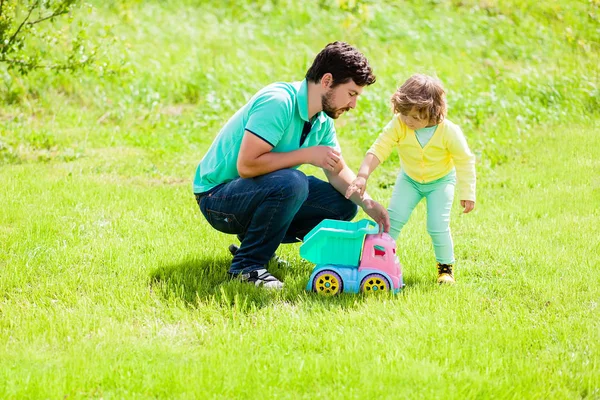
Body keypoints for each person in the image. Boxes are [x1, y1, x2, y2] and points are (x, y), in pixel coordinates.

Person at [193, 42, 390, 290]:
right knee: (293, 182)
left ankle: (255, 243)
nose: (353, 105)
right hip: (217, 198)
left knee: (343, 203)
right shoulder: (278, 102)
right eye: (351, 94)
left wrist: (368, 203)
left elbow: (337, 170)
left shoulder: (321, 119)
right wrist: (306, 154)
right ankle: (247, 267)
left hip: (253, 192)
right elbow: (247, 166)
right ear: (327, 81)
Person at [345, 74, 476, 284]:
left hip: (440, 182)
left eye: (416, 117)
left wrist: (468, 193)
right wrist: (362, 175)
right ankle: (376, 262)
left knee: (437, 225)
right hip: (410, 180)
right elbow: (380, 147)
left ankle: (445, 268)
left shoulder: (449, 131)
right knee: (392, 220)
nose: (409, 120)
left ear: (434, 113)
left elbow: (464, 161)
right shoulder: (399, 124)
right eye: (405, 114)